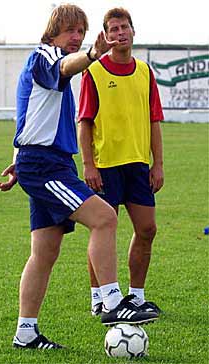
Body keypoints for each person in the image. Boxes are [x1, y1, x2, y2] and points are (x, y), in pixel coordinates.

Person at [0, 4, 158, 350]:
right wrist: (91, 55)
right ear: (53, 31)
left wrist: (16, 160)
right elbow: (67, 65)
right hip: (45, 165)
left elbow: (28, 113)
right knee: (104, 217)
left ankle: (25, 333)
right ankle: (113, 302)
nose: (77, 37)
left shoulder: (56, 68)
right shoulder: (45, 56)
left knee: (45, 252)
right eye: (71, 30)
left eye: (81, 32)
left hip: (43, 163)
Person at [78, 7, 164, 317]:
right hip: (106, 167)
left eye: (123, 27)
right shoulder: (94, 72)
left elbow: (154, 120)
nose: (119, 34)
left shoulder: (145, 72)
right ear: (106, 35)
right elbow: (84, 122)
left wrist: (158, 163)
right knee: (103, 230)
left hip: (139, 165)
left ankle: (137, 297)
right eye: (113, 29)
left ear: (132, 31)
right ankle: (99, 298)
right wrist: (89, 165)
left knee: (147, 229)